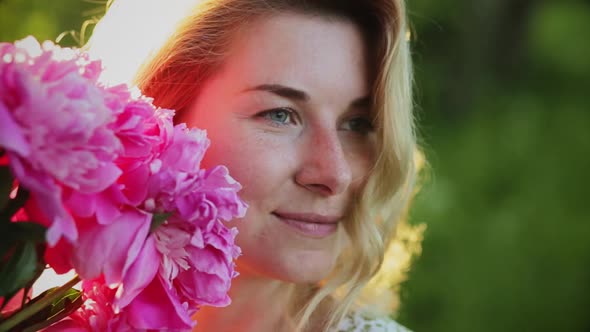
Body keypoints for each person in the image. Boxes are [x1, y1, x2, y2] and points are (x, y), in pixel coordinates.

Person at [89, 0, 420, 331]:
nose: (336, 174)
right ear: (162, 114)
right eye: (280, 115)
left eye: (358, 123)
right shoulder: (45, 311)